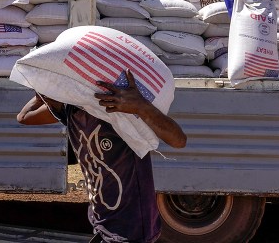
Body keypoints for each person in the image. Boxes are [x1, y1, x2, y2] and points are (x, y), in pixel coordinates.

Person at [17, 69, 187, 243]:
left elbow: (179, 140)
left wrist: (141, 106)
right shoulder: (70, 111)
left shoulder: (116, 111)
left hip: (131, 228)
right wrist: (40, 93)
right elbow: (23, 117)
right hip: (102, 223)